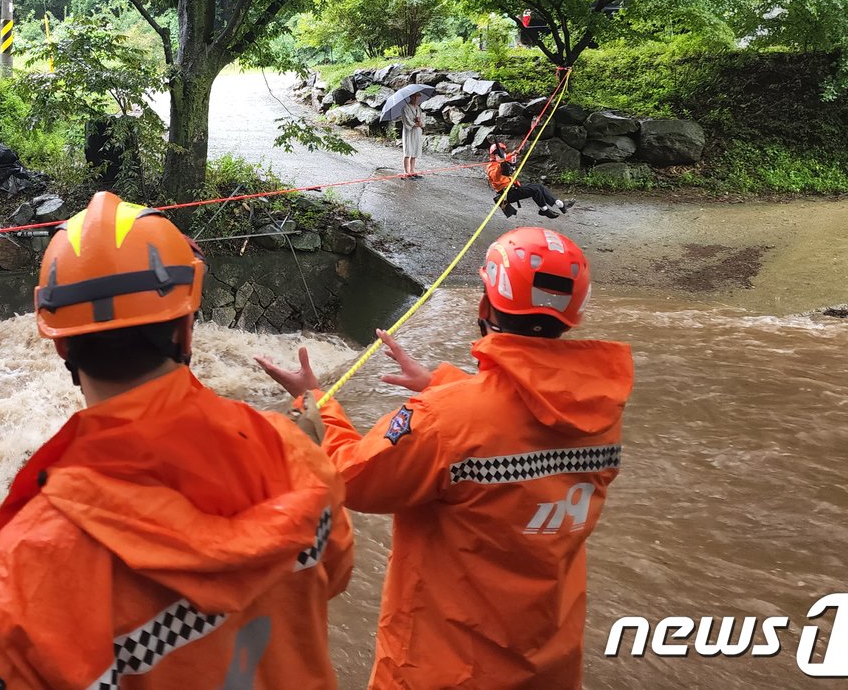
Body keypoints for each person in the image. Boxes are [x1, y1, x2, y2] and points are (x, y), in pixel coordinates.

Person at [0, 191, 354, 688]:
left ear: (59, 342)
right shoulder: (291, 453)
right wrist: (308, 412)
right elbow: (333, 574)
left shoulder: (21, 569)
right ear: (187, 327)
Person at [257, 226, 634, 689]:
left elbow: (353, 477)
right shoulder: (599, 410)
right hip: (549, 664)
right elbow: (514, 427)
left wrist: (313, 402)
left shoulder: (448, 419)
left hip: (446, 669)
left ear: (485, 305)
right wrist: (445, 386)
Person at [487, 141, 574, 218]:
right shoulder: (492, 167)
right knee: (535, 190)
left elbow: (506, 159)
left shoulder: (502, 161)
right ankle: (545, 210)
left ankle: (559, 203)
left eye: (502, 152)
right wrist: (501, 164)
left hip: (514, 188)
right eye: (498, 153)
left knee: (539, 186)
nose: (502, 154)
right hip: (507, 194)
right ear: (493, 156)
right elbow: (496, 176)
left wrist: (512, 155)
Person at [402, 92, 426, 178]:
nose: (416, 99)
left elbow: (423, 121)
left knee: (415, 150)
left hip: (417, 132)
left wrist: (419, 121)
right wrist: (415, 123)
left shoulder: (419, 109)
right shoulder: (405, 108)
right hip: (409, 132)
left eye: (417, 97)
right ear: (410, 97)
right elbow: (406, 121)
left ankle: (412, 170)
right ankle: (406, 171)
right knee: (408, 150)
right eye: (414, 97)